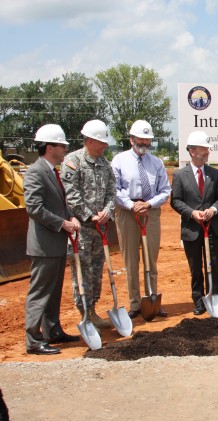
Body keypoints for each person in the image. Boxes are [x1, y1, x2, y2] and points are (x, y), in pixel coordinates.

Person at [24, 124, 80, 355]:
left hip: (55, 244)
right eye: (61, 145)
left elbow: (57, 204)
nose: (65, 149)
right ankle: (34, 339)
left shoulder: (52, 171)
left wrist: (70, 216)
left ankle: (52, 331)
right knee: (40, 292)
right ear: (49, 147)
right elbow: (34, 207)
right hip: (44, 245)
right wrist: (62, 223)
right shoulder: (36, 171)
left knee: (54, 290)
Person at [111, 120, 171, 319]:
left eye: (148, 140)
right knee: (131, 260)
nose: (145, 143)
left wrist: (149, 204)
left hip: (150, 213)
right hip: (128, 213)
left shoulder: (157, 163)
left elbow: (165, 191)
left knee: (150, 259)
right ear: (132, 139)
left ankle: (151, 298)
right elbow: (115, 190)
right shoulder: (119, 160)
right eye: (141, 139)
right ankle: (136, 303)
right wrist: (132, 205)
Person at [61, 119, 116, 329]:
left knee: (97, 270)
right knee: (82, 272)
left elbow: (112, 192)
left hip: (100, 229)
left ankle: (92, 309)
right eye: (102, 142)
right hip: (81, 229)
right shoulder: (72, 161)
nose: (105, 146)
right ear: (90, 140)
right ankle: (85, 312)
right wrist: (88, 215)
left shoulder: (105, 164)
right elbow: (71, 195)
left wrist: (107, 212)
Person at [170, 131, 218, 315]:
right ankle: (199, 299)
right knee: (195, 267)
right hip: (192, 229)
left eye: (207, 148)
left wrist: (213, 210)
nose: (207, 151)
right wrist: (192, 213)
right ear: (192, 151)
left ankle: (215, 296)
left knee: (215, 264)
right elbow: (175, 201)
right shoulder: (179, 175)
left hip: (213, 228)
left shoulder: (215, 174)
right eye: (203, 148)